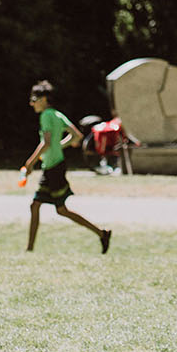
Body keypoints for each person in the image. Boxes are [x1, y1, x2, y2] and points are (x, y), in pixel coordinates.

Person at [21, 80, 110, 254]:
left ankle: (30, 249)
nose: (31, 104)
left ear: (44, 99)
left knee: (47, 207)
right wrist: (58, 145)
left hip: (53, 168)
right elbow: (76, 136)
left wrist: (30, 163)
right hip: (56, 165)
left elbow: (45, 143)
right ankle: (101, 233)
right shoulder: (57, 114)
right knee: (49, 207)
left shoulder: (46, 115)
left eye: (34, 99)